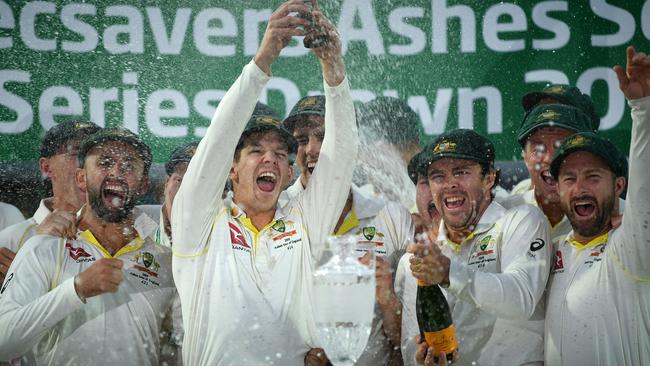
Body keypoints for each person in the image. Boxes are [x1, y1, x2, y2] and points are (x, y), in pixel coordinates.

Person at [170, 2, 358, 364]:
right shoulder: (200, 223)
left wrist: (333, 67)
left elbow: (342, 155)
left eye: (280, 154)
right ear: (232, 169)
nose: (270, 158)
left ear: (289, 174)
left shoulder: (303, 222)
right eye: (256, 150)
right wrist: (263, 61)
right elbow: (217, 140)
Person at [0, 128, 177, 365]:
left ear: (143, 184)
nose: (116, 172)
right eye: (104, 162)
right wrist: (76, 289)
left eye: (128, 165)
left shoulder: (166, 262)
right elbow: (3, 343)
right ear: (81, 178)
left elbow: (179, 349)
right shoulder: (44, 248)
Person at [281, 94, 414, 365]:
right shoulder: (276, 216)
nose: (312, 149)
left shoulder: (391, 216)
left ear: (350, 146)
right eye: (301, 140)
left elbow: (413, 331)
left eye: (324, 137)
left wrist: (388, 301)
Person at [406, 129, 552, 365]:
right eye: (438, 176)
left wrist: (447, 273)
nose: (450, 184)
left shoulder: (520, 221)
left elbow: (520, 299)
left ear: (489, 178)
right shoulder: (417, 259)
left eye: (461, 172)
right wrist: (422, 359)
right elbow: (409, 344)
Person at [544, 46, 650, 365]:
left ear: (618, 185)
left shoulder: (631, 248)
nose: (579, 188)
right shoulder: (550, 250)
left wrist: (643, 109)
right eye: (569, 178)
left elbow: (644, 189)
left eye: (593, 176)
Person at [0, 120, 100, 283]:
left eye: (96, 154)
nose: (90, 163)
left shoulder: (125, 233)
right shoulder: (11, 240)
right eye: (77, 153)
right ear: (46, 167)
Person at [501, 104, 594, 238]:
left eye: (562, 146)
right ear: (525, 157)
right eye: (538, 149)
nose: (550, 159)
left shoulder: (617, 216)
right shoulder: (504, 215)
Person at [511, 84, 599, 194]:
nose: (547, 115)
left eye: (562, 112)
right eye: (540, 110)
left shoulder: (613, 205)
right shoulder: (518, 196)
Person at [155, 141, 199, 248]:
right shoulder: (139, 225)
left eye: (198, 183)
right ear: (167, 183)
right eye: (180, 180)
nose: (187, 190)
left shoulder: (223, 235)